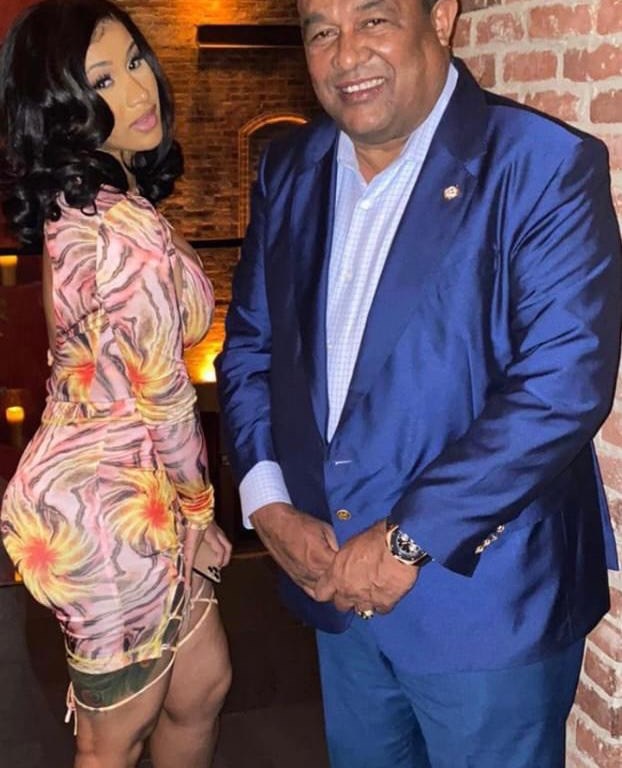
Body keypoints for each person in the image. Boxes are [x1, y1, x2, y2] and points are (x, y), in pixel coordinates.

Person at [216, 0, 622, 766]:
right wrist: (267, 503)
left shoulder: (540, 164)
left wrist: (409, 539)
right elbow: (250, 348)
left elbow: (561, 384)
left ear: (441, 17)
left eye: (374, 20)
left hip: (485, 604)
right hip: (333, 584)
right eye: (322, 31)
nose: (346, 55)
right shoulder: (288, 168)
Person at [0, 1, 232, 766]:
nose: (138, 91)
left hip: (124, 483)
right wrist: (200, 512)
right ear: (62, 109)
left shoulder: (91, 205)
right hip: (109, 511)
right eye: (101, 81)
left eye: (135, 62)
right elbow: (165, 397)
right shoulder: (121, 230)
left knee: (200, 683)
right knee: (110, 743)